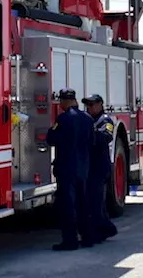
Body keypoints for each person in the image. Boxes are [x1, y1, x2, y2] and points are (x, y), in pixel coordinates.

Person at [46, 88, 93, 251]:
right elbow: (92, 142)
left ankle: (70, 241)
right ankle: (87, 237)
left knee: (67, 205)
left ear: (65, 102)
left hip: (66, 169)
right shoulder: (87, 119)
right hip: (83, 169)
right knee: (83, 203)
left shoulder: (63, 119)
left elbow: (50, 139)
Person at [82, 93, 119, 241]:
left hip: (99, 167)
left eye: (92, 104)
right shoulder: (87, 119)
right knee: (93, 201)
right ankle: (105, 229)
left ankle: (101, 230)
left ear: (100, 105)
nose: (89, 107)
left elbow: (106, 136)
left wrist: (89, 134)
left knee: (96, 201)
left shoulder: (105, 120)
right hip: (89, 166)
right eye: (87, 105)